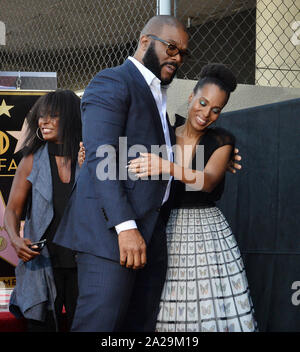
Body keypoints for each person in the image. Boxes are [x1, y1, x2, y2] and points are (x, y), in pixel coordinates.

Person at [54, 15, 240, 332]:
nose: (178, 57)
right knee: (100, 325)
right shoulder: (113, 81)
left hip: (151, 235)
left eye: (183, 52)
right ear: (145, 42)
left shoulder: (157, 94)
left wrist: (218, 156)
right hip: (112, 237)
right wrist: (125, 228)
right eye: (171, 47)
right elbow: (103, 157)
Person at [128, 63, 257, 332]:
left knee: (208, 303)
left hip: (206, 233)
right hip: (163, 226)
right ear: (190, 97)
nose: (206, 113)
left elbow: (207, 182)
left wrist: (166, 166)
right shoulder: (163, 130)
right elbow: (126, 153)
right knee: (163, 301)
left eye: (215, 110)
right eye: (202, 102)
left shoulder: (222, 140)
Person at [4, 89, 82, 332]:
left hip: (84, 262)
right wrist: (16, 240)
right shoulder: (31, 160)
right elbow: (12, 211)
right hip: (43, 263)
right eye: (41, 116)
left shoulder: (89, 155)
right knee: (42, 326)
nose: (43, 121)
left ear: (70, 118)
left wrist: (88, 167)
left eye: (53, 116)